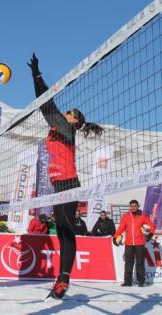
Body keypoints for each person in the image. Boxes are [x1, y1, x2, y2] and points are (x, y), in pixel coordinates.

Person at [28, 53, 104, 299]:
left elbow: (47, 105)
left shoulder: (65, 129)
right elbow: (46, 105)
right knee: (60, 231)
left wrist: (37, 76)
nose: (66, 114)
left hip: (70, 184)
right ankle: (62, 278)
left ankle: (64, 280)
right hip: (58, 185)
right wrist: (36, 75)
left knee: (66, 229)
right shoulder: (56, 129)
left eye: (70, 113)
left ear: (74, 121)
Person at [113, 200, 155, 287]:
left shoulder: (142, 215)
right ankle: (128, 281)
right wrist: (115, 237)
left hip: (139, 243)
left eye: (135, 206)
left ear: (138, 206)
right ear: (130, 207)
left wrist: (151, 233)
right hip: (129, 243)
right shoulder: (126, 216)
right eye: (131, 206)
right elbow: (121, 228)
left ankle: (141, 281)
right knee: (128, 263)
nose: (133, 207)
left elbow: (151, 225)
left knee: (140, 263)